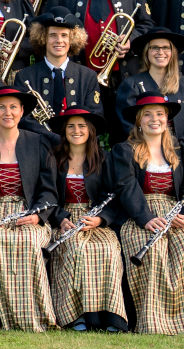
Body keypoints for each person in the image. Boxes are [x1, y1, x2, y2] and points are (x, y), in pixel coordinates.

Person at [111, 92, 184, 334]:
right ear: (139, 120)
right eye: (147, 114)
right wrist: (146, 218)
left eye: (159, 114)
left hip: (176, 213)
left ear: (167, 118)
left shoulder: (180, 150)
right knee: (153, 249)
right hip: (141, 215)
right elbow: (125, 187)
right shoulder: (124, 150)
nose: (154, 119)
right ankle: (153, 320)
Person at [0, 87, 59, 331]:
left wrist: (38, 215)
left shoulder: (39, 144)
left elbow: (48, 190)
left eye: (13, 107)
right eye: (1, 107)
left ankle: (33, 315)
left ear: (21, 111)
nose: (7, 112)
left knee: (30, 242)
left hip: (28, 211)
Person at [49, 106, 129, 332]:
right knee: (76, 248)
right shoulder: (54, 158)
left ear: (91, 130)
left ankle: (111, 314)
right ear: (64, 130)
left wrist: (101, 219)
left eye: (82, 126)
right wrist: (61, 219)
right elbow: (47, 194)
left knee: (107, 248)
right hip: (66, 220)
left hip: (94, 219)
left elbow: (114, 196)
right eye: (71, 126)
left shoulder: (105, 159)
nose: (76, 130)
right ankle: (80, 314)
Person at [111, 27, 184, 151]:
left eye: (166, 48)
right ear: (146, 52)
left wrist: (180, 147)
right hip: (143, 153)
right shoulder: (131, 85)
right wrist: (151, 147)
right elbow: (128, 125)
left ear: (173, 52)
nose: (160, 52)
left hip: (182, 153)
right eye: (155, 47)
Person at [14, 8, 101, 127]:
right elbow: (23, 119)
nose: (59, 40)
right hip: (39, 143)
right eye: (53, 35)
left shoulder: (88, 76)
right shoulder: (25, 76)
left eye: (64, 35)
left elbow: (95, 116)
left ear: (72, 39)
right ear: (43, 38)